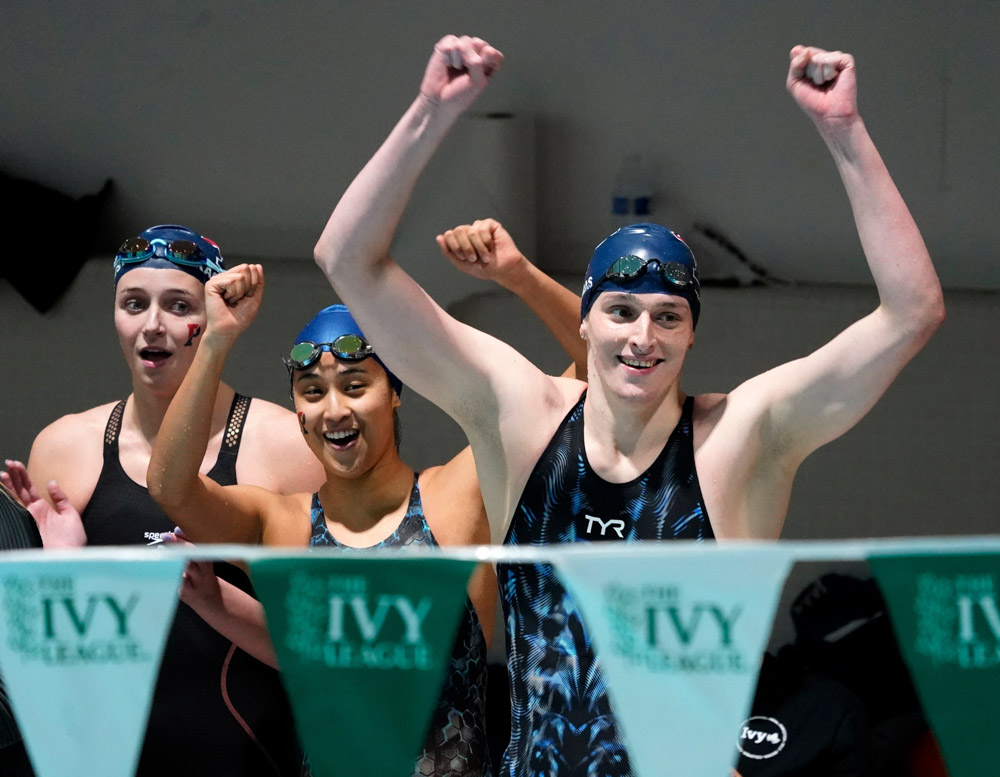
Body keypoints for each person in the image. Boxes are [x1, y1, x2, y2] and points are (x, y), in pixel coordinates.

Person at [311, 36, 944, 777]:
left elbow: (913, 311)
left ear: (691, 334)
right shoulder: (522, 417)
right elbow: (345, 257)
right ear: (582, 320)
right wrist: (430, 111)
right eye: (620, 311)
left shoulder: (738, 440)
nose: (642, 335)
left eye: (668, 316)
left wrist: (845, 133)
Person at [144, 224, 588, 776]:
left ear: (395, 395)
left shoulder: (462, 496)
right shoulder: (280, 528)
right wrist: (215, 340)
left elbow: (593, 367)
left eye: (356, 386)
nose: (335, 410)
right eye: (313, 392)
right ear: (299, 413)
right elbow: (169, 486)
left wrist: (518, 277)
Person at [8, 224, 324, 777]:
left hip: (249, 758)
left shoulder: (282, 448)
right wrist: (61, 575)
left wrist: (215, 600)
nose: (152, 324)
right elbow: (43, 661)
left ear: (213, 321)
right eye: (134, 303)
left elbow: (322, 651)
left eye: (179, 305)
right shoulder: (65, 448)